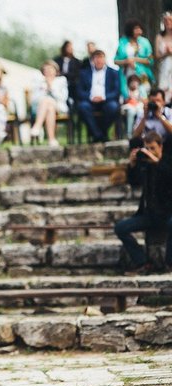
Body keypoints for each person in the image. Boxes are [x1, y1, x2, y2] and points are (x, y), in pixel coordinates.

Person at [114, 132, 172, 274]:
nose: (149, 152)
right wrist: (133, 165)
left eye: (153, 148)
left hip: (167, 214)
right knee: (120, 228)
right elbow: (134, 183)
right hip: (148, 215)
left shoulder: (167, 162)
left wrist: (156, 162)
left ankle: (170, 264)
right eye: (147, 148)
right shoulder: (145, 165)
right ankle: (142, 262)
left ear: (161, 147)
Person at [76, 50, 121, 143]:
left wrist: (103, 97)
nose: (99, 61)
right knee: (82, 107)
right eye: (97, 58)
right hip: (90, 101)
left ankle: (99, 133)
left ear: (105, 59)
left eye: (101, 58)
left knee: (113, 107)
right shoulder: (84, 73)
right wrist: (91, 97)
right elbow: (79, 91)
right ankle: (99, 135)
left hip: (106, 100)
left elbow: (116, 91)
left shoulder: (113, 72)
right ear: (93, 60)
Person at [30, 59, 69, 147]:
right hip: (40, 108)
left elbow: (63, 98)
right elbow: (34, 99)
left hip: (59, 106)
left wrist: (51, 88)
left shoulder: (61, 80)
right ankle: (51, 139)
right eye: (46, 70)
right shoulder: (38, 82)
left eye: (51, 69)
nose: (48, 72)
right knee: (49, 106)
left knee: (48, 101)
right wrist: (44, 91)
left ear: (56, 70)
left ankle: (37, 126)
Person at [114, 19, 155, 100]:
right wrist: (126, 61)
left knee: (144, 92)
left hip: (142, 73)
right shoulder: (122, 42)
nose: (139, 31)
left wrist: (135, 59)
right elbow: (115, 60)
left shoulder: (145, 42)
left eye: (140, 29)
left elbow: (150, 60)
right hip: (126, 74)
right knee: (128, 95)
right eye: (136, 29)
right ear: (130, 30)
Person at [156, 12, 172, 103]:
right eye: (165, 20)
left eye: (170, 20)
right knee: (164, 91)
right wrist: (166, 53)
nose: (168, 22)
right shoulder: (159, 37)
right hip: (164, 68)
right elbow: (157, 55)